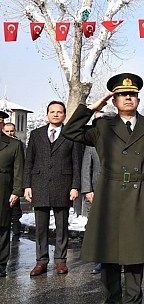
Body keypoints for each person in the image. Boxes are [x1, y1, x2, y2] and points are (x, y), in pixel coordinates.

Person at [62, 73, 144, 304]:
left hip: (140, 194)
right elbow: (69, 132)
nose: (128, 98)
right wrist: (91, 108)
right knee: (108, 251)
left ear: (138, 99)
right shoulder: (103, 126)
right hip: (110, 195)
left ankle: (133, 299)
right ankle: (112, 299)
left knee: (135, 252)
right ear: (114, 101)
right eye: (122, 95)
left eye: (132, 94)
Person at [24, 100, 83, 276]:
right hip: (39, 184)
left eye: (59, 112)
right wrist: (27, 185)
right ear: (47, 114)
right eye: (52, 112)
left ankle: (60, 261)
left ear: (64, 115)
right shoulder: (36, 134)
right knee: (41, 227)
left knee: (61, 226)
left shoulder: (71, 135)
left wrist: (75, 186)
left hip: (63, 185)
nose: (56, 114)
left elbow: (76, 163)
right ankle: (41, 261)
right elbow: (29, 162)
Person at [80, 111, 114, 274]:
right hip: (96, 193)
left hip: (118, 195)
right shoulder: (92, 144)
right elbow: (86, 167)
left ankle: (119, 260)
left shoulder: (122, 142)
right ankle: (100, 261)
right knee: (98, 229)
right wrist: (87, 189)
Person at [0, 111, 24, 277]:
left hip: (4, 189)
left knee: (2, 228)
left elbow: (18, 170)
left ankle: (1, 264)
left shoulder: (14, 144)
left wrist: (16, 191)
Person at [2, 122, 24, 236]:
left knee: (15, 211)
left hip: (13, 183)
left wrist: (18, 188)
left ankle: (16, 232)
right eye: (7, 131)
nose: (10, 133)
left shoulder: (18, 144)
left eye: (12, 131)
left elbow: (20, 166)